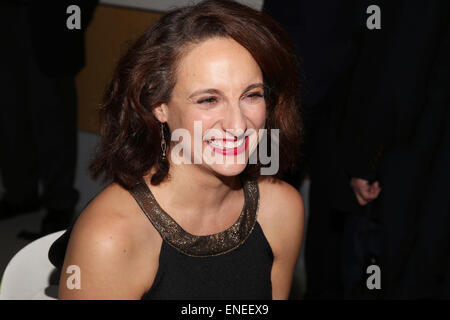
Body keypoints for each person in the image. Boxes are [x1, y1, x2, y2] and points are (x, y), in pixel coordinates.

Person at [49, 0, 305, 300]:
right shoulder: (111, 238)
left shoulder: (281, 208)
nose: (238, 125)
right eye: (209, 99)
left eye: (252, 95)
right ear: (159, 106)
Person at [0, 1, 98, 239]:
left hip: (53, 27)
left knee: (54, 121)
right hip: (8, 19)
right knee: (10, 116)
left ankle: (59, 202)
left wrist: (70, 28)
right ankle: (20, 194)